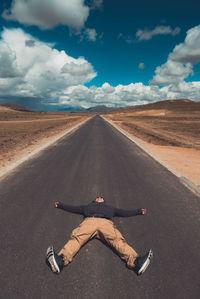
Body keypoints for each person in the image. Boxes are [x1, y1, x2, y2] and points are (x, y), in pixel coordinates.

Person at [46, 197, 153, 276]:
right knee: (77, 238)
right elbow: (73, 208)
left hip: (106, 223)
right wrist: (60, 205)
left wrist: (138, 211)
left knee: (118, 241)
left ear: (104, 201)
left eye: (101, 198)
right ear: (94, 201)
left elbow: (124, 212)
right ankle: (60, 260)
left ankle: (136, 262)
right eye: (97, 198)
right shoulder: (87, 207)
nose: (99, 198)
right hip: (89, 221)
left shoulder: (111, 208)